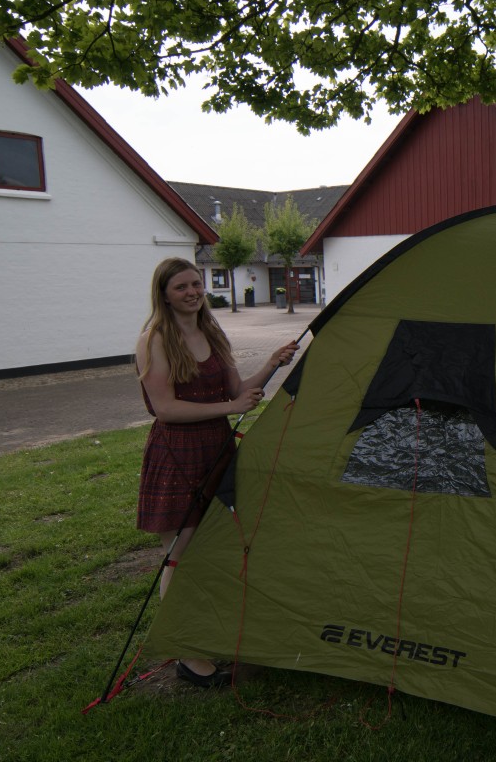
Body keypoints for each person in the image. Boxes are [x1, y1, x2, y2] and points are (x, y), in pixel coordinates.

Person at [135, 257, 299, 686]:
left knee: (214, 548)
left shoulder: (212, 331)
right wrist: (230, 407)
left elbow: (237, 391)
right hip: (178, 455)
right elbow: (165, 409)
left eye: (196, 284)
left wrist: (272, 363)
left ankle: (209, 632)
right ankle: (187, 655)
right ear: (164, 294)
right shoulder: (155, 339)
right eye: (181, 287)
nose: (192, 292)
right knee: (181, 556)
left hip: (217, 450)